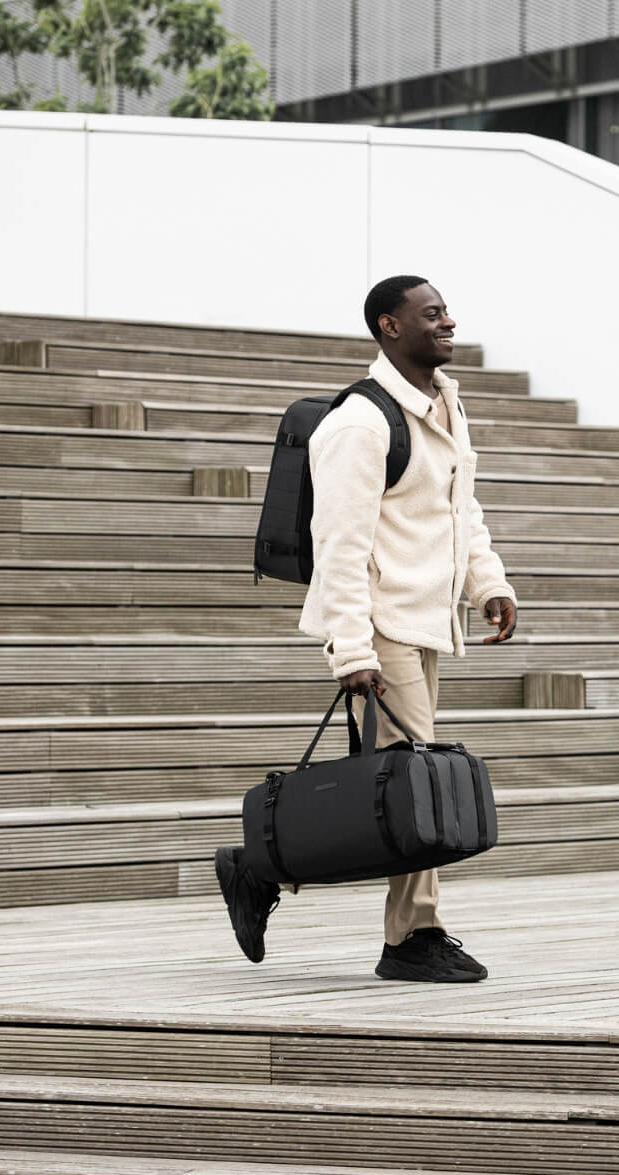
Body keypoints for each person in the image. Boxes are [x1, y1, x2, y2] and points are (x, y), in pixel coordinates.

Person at [218, 275, 517, 982]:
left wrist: (488, 582)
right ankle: (413, 936)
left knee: (402, 788)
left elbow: (459, 511)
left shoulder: (443, 404)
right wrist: (350, 648)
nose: (448, 321)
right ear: (389, 326)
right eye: (431, 313)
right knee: (419, 788)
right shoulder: (359, 424)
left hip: (428, 621)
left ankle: (257, 868)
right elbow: (340, 543)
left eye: (446, 311)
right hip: (381, 626)